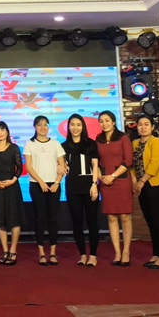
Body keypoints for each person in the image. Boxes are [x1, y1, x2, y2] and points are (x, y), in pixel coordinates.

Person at [23, 116, 67, 266]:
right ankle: (41, 253)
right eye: (39, 125)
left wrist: (56, 182)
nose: (43, 127)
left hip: (54, 185)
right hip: (36, 185)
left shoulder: (55, 144)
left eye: (45, 125)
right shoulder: (30, 144)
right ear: (34, 127)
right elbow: (28, 166)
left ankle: (53, 253)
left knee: (53, 219)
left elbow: (62, 166)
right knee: (40, 218)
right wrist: (41, 182)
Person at [95, 111, 134, 266]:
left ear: (113, 122)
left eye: (107, 120)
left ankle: (126, 251)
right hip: (105, 182)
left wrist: (113, 176)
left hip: (121, 181)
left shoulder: (123, 138)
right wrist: (101, 177)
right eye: (101, 121)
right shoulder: (98, 140)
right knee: (111, 217)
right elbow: (95, 161)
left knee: (124, 216)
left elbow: (128, 161)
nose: (104, 123)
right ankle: (117, 252)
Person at [62, 114, 100, 267]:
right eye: (72, 124)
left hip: (89, 187)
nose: (75, 128)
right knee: (77, 222)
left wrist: (94, 184)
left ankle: (93, 255)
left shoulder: (91, 144)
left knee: (92, 221)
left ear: (83, 126)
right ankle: (82, 255)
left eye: (78, 124)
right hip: (72, 188)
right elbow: (60, 166)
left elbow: (95, 166)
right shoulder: (63, 146)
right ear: (68, 127)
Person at [132, 116, 159, 270]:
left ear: (152, 127)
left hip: (155, 185)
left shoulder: (156, 141)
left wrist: (141, 181)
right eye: (140, 124)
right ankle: (156, 254)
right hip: (141, 186)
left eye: (146, 124)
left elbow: (155, 164)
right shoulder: (135, 143)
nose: (143, 127)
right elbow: (132, 164)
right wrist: (134, 181)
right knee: (150, 221)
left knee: (158, 220)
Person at [0, 121, 26, 266]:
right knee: (0, 219)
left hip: (12, 186)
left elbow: (19, 168)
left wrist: (12, 181)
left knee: (14, 220)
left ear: (7, 132)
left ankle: (13, 250)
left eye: (2, 130)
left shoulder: (14, 148)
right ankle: (5, 250)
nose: (0, 133)